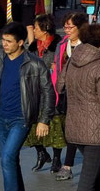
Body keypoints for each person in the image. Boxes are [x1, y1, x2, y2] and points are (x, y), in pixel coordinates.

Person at [0, 22, 54, 191]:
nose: (4, 44)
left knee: (6, 159)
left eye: (8, 41)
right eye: (4, 40)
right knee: (11, 160)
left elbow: (48, 93)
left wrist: (44, 120)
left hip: (21, 119)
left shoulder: (35, 64)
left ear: (20, 42)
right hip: (1, 119)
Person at [55, 23, 100, 191]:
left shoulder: (72, 60)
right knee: (88, 180)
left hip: (74, 125)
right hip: (96, 129)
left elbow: (59, 86)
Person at [51, 11, 89, 181]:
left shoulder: (88, 46)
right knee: (67, 128)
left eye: (70, 27)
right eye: (65, 26)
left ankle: (67, 165)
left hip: (83, 94)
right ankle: (63, 161)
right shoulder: (62, 45)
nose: (66, 30)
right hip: (65, 93)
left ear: (80, 28)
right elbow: (57, 67)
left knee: (74, 128)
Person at [25, 14, 63, 172]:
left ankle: (56, 159)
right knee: (30, 126)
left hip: (53, 92)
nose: (34, 30)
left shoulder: (59, 46)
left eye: (36, 28)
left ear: (45, 30)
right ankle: (41, 153)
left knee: (54, 126)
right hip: (34, 93)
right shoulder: (33, 47)